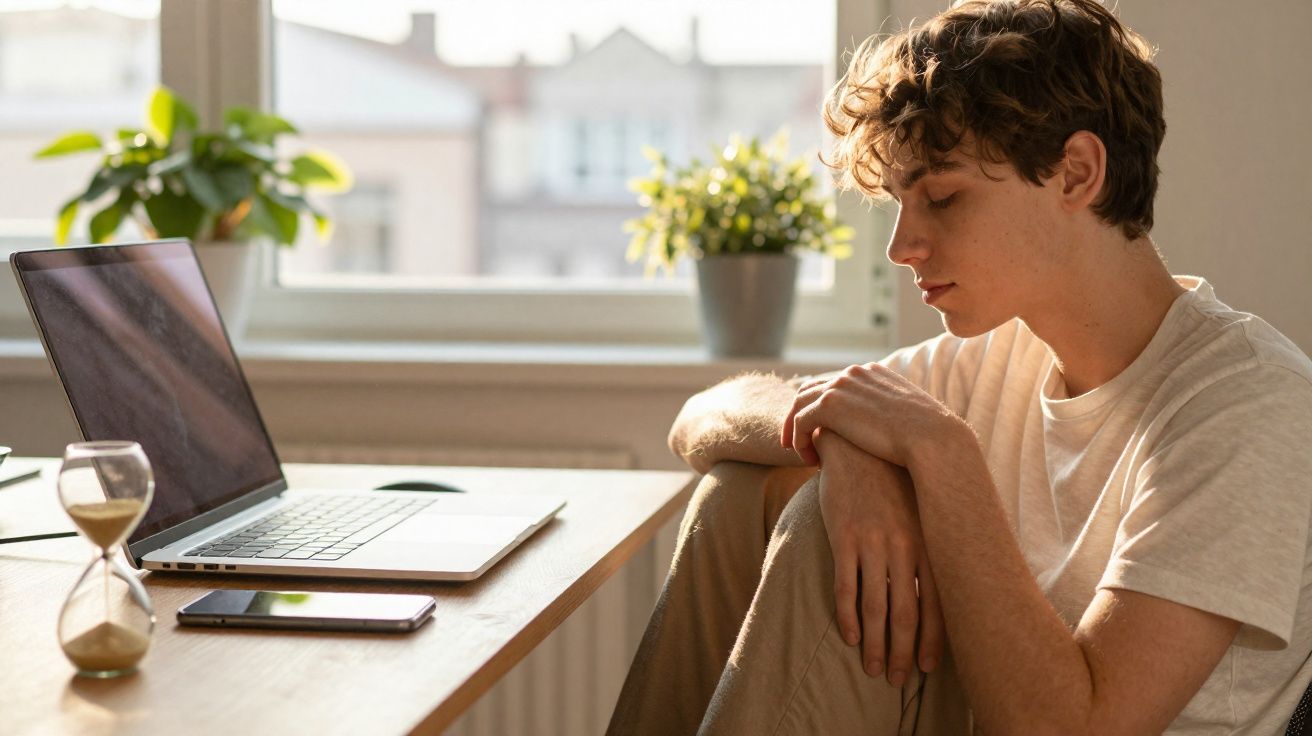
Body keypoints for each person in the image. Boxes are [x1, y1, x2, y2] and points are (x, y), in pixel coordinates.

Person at [605, 0, 1312, 733]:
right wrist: (847, 447)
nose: (901, 246)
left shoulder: (1246, 402)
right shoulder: (995, 362)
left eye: (941, 198)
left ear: (1076, 173)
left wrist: (941, 452)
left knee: (814, 516)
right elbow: (701, 419)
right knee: (742, 492)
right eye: (899, 203)